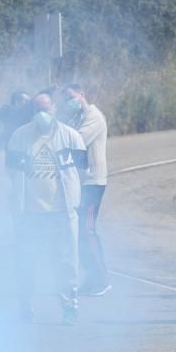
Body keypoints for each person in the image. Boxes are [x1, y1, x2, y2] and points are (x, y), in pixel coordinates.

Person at [7, 93, 87, 325]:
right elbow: (11, 173)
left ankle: (69, 307)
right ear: (32, 112)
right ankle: (26, 307)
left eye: (46, 108)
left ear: (54, 109)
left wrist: (73, 200)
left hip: (62, 214)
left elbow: (81, 171)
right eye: (37, 109)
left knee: (66, 262)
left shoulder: (71, 137)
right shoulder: (19, 137)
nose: (43, 113)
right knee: (26, 261)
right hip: (30, 215)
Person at [62, 83, 111, 296]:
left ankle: (102, 279)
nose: (69, 102)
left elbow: (77, 141)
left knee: (87, 230)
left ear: (82, 94)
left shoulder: (93, 116)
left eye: (71, 97)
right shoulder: (76, 118)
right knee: (78, 232)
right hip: (80, 182)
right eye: (65, 99)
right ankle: (91, 278)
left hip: (93, 181)